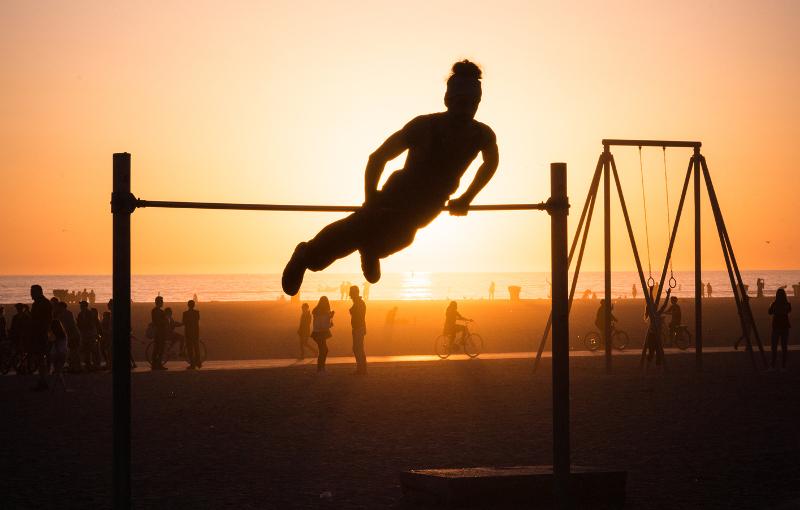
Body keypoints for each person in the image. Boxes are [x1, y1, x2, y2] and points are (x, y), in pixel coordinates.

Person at [282, 60, 498, 295]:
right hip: (399, 195)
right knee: (357, 229)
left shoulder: (482, 134)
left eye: (472, 104)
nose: (466, 109)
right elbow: (378, 158)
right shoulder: (424, 126)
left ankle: (371, 250)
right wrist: (370, 199)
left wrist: (467, 198)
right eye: (461, 102)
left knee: (404, 238)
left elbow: (491, 163)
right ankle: (306, 255)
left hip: (430, 206)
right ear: (448, 100)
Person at [30, 285, 53, 391]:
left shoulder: (42, 303)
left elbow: (46, 320)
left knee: (41, 358)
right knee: (40, 358)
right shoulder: (40, 303)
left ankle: (43, 381)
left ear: (38, 292)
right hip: (39, 334)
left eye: (32, 292)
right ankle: (42, 380)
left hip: (41, 334)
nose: (31, 294)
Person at [768, 288, 791, 371]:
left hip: (776, 327)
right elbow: (789, 310)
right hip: (785, 327)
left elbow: (769, 312)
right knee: (784, 347)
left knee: (774, 347)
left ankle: (773, 365)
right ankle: (783, 366)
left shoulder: (774, 304)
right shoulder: (787, 304)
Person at [55, 301, 82, 372]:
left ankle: (76, 367)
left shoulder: (65, 314)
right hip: (73, 335)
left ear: (62, 307)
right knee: (73, 351)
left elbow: (68, 325)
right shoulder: (68, 313)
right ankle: (75, 367)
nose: (57, 308)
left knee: (74, 351)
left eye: (58, 307)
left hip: (72, 335)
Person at [311, 297, 334, 372]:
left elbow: (319, 324)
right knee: (324, 350)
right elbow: (323, 325)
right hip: (320, 333)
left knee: (323, 350)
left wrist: (330, 317)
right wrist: (330, 319)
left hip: (316, 332)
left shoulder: (317, 311)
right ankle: (321, 367)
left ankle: (320, 367)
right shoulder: (323, 313)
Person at [77, 301, 101, 371]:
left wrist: (98, 333)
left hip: (91, 334)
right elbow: (79, 324)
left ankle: (95, 364)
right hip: (84, 334)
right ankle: (88, 364)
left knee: (93, 349)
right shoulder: (80, 314)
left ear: (85, 306)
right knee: (86, 349)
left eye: (81, 305)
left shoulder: (90, 313)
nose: (80, 307)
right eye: (80, 306)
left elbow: (94, 323)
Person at [349, 285, 367, 375]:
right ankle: (361, 368)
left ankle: (361, 368)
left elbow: (359, 316)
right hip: (358, 327)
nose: (350, 295)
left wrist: (351, 311)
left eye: (351, 293)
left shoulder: (359, 303)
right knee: (358, 348)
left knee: (357, 348)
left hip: (358, 328)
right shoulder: (358, 302)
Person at [49, 314, 68, 392]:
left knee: (57, 371)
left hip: (56, 353)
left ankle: (58, 387)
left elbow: (55, 344)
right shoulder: (63, 334)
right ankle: (61, 388)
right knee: (58, 371)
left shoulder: (54, 334)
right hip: (62, 353)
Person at [182, 300, 201, 369]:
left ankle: (192, 364)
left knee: (190, 349)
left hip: (188, 333)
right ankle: (198, 362)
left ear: (188, 305)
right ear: (194, 305)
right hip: (195, 332)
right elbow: (197, 321)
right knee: (196, 348)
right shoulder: (197, 313)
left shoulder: (185, 313)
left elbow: (184, 322)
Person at [150, 296, 168, 370]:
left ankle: (155, 364)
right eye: (162, 301)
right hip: (160, 332)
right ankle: (158, 364)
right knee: (160, 349)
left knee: (157, 349)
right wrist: (164, 321)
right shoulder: (160, 311)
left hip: (158, 332)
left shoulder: (154, 311)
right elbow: (160, 321)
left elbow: (155, 321)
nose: (163, 303)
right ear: (159, 302)